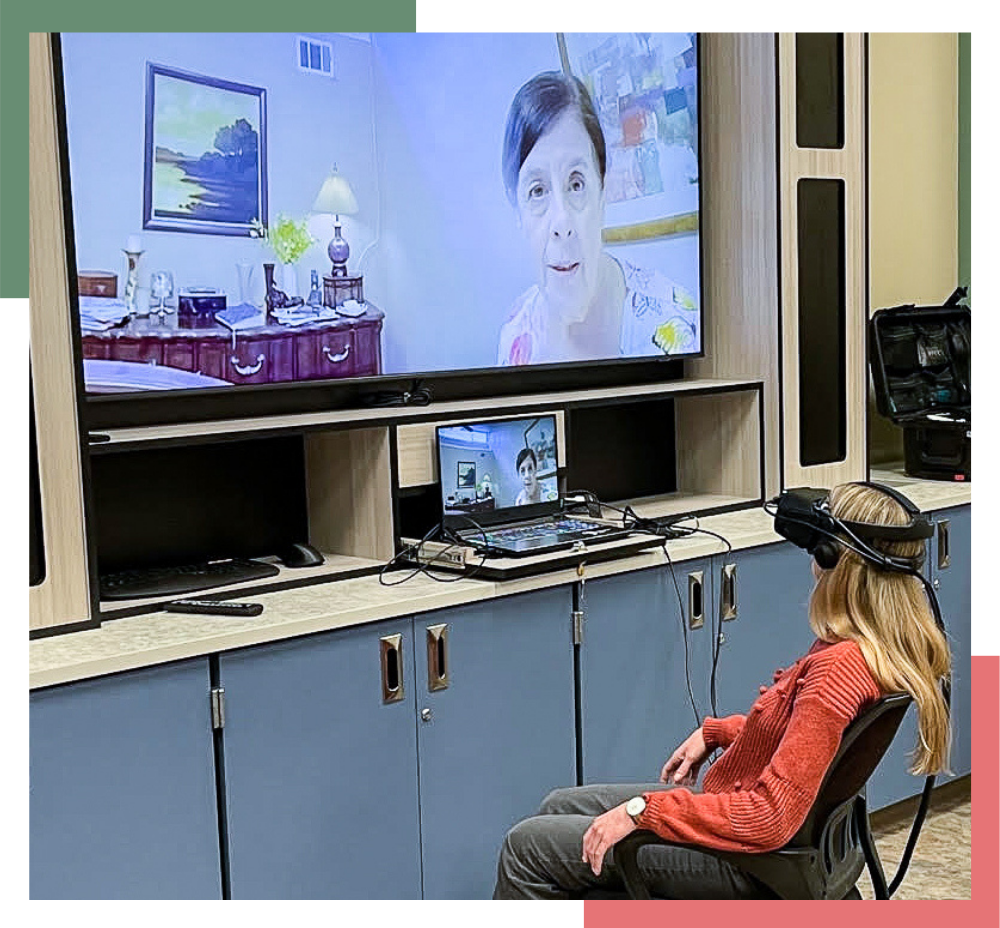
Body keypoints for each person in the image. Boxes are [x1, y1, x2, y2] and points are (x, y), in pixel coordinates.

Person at [493, 482, 952, 899]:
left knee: (526, 847)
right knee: (559, 805)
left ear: (833, 557)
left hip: (750, 864)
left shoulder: (838, 669)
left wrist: (641, 811)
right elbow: (803, 742)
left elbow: (769, 817)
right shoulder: (875, 649)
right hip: (778, 845)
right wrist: (716, 733)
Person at [497, 71, 699, 367]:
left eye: (576, 184)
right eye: (537, 190)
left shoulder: (675, 324)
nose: (562, 223)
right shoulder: (514, 333)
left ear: (602, 189)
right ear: (517, 208)